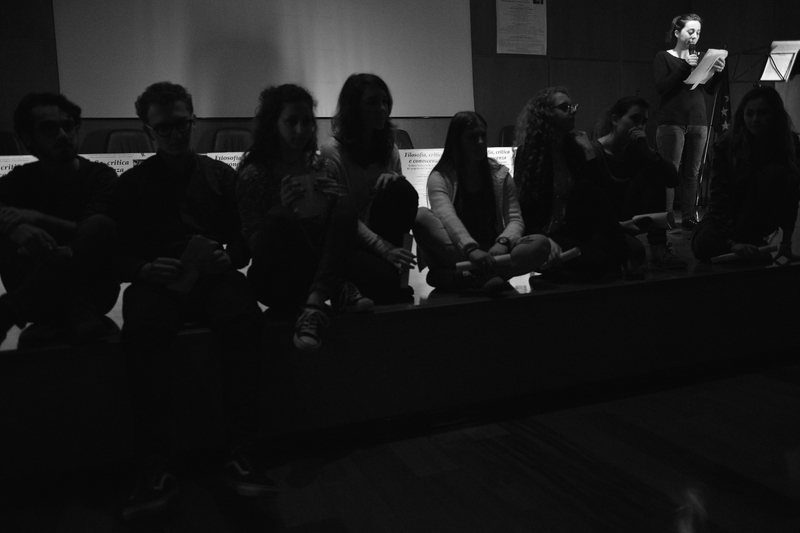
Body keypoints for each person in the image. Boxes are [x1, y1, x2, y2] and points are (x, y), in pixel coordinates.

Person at [110, 82, 274, 521]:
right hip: (158, 281)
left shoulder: (221, 177)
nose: (175, 134)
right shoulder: (132, 185)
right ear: (148, 131)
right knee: (143, 331)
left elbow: (243, 237)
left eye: (181, 124)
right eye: (164, 128)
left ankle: (242, 450)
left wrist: (229, 256)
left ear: (193, 122)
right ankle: (156, 463)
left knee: (244, 319)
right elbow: (117, 252)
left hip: (211, 276)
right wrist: (144, 269)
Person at [237, 84, 372, 353]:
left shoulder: (320, 165)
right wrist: (282, 209)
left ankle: (314, 303)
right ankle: (333, 287)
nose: (301, 130)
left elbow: (334, 232)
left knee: (344, 209)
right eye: (291, 121)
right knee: (280, 217)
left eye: (307, 121)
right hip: (276, 275)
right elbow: (254, 244)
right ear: (274, 124)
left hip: (313, 271)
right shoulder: (255, 174)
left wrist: (331, 203)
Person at [0, 93, 118, 348]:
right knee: (5, 226)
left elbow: (94, 233)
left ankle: (11, 309)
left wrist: (37, 219)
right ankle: (77, 310)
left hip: (95, 293)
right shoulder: (20, 180)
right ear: (27, 138)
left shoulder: (101, 177)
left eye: (68, 125)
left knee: (101, 225)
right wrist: (16, 228)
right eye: (49, 128)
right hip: (45, 303)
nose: (63, 135)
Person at [413, 111, 552, 291]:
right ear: (457, 141)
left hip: (494, 253)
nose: (480, 142)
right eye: (472, 137)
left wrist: (503, 242)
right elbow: (447, 218)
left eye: (483, 136)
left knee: (541, 244)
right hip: (458, 252)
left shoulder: (500, 175)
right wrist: (471, 250)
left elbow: (515, 219)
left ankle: (469, 277)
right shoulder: (440, 177)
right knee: (420, 216)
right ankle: (488, 276)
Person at [514, 87, 638, 281]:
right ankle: (554, 269)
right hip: (545, 234)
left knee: (636, 250)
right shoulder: (529, 154)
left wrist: (589, 153)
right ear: (546, 114)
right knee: (600, 263)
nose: (573, 111)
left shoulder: (575, 148)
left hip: (574, 229)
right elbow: (525, 211)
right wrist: (544, 240)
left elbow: (600, 196)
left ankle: (616, 259)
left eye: (573, 106)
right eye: (564, 107)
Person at [320, 73, 419, 303]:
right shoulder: (332, 152)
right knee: (386, 285)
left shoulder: (389, 148)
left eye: (385, 101)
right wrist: (386, 250)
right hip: (350, 242)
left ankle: (393, 275)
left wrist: (394, 181)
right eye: (373, 102)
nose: (382, 108)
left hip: (384, 236)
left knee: (401, 189)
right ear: (353, 108)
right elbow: (344, 219)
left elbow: (403, 206)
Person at [692, 85, 800, 262]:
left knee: (776, 173)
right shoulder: (727, 145)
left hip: (758, 219)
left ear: (775, 115)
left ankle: (749, 242)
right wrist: (731, 242)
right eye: (749, 113)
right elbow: (720, 199)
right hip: (726, 218)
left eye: (762, 113)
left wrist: (786, 242)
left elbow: (792, 196)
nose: (755, 119)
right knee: (703, 243)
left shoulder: (789, 144)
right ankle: (743, 245)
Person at [592, 96, 686, 269]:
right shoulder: (595, 152)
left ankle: (658, 251)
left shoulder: (637, 152)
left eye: (643, 122)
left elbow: (672, 180)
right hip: (604, 222)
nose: (640, 126)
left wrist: (649, 153)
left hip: (629, 217)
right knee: (635, 253)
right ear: (615, 119)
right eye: (634, 119)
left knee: (655, 170)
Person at [654, 13, 726, 231]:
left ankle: (688, 216)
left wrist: (718, 73)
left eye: (698, 32)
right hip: (672, 121)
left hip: (698, 120)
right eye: (690, 31)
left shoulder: (701, 57)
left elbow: (710, 90)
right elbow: (661, 87)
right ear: (678, 33)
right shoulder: (664, 57)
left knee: (693, 173)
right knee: (670, 171)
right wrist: (685, 67)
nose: (695, 36)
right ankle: (666, 217)